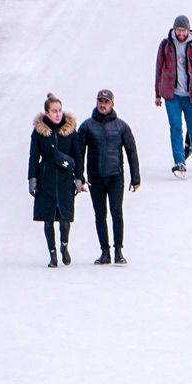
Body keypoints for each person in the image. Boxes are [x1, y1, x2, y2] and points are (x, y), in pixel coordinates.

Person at [79, 89, 140, 267]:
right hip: (95, 178)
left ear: (112, 104)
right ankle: (104, 251)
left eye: (106, 102)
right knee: (100, 214)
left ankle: (118, 250)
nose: (103, 105)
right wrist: (79, 176)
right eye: (100, 101)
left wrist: (135, 177)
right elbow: (79, 152)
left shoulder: (121, 126)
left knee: (116, 212)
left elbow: (131, 152)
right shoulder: (87, 126)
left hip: (115, 176)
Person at [27, 94, 85, 268]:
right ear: (46, 113)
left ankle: (64, 245)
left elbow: (78, 156)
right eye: (54, 111)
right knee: (48, 218)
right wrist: (32, 178)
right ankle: (52, 253)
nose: (58, 114)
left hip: (65, 178)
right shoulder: (39, 133)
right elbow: (33, 157)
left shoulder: (70, 131)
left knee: (65, 218)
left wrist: (79, 177)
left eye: (59, 110)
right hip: (47, 177)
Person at [153, 16, 192, 176]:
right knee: (175, 127)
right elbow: (158, 69)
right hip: (172, 95)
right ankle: (179, 161)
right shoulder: (166, 45)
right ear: (174, 29)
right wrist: (157, 93)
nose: (181, 33)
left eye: (184, 30)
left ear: (188, 30)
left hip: (190, 96)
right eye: (178, 30)